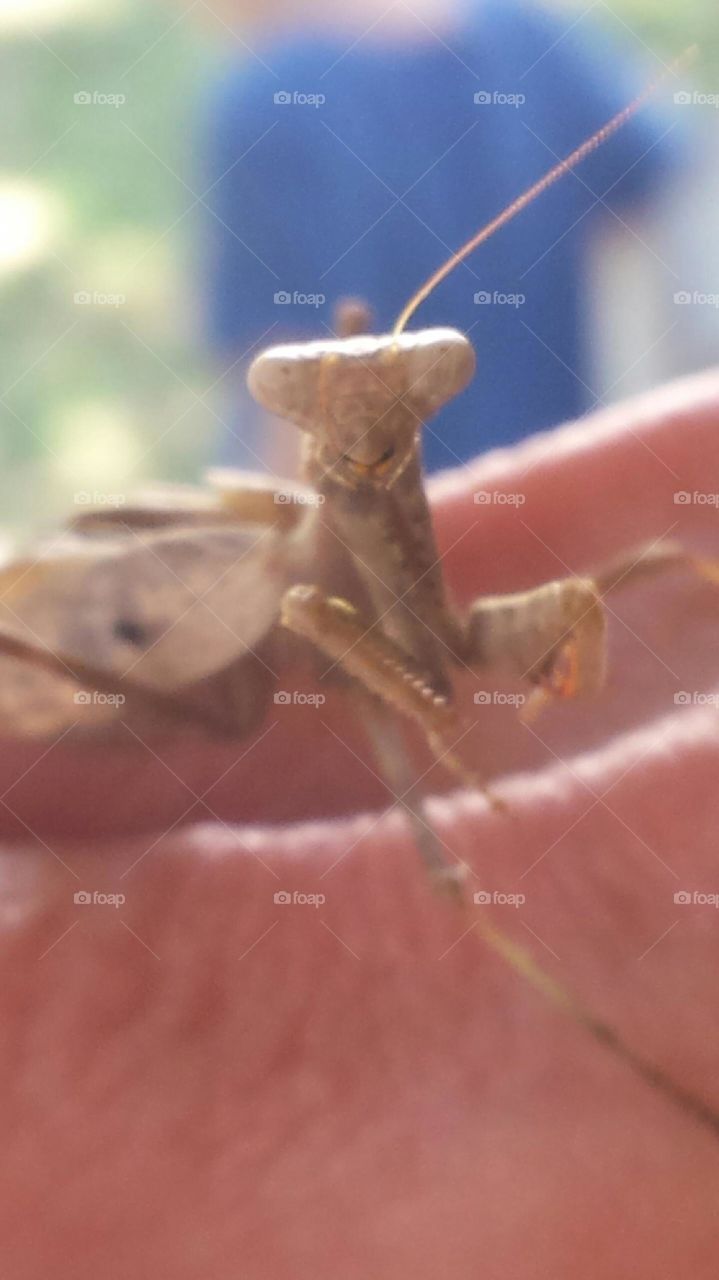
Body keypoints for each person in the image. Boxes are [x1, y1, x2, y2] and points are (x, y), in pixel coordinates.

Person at [202, 0, 684, 471]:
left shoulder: (266, 100)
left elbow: (290, 410)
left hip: (370, 531)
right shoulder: (532, 34)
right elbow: (659, 192)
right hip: (562, 502)